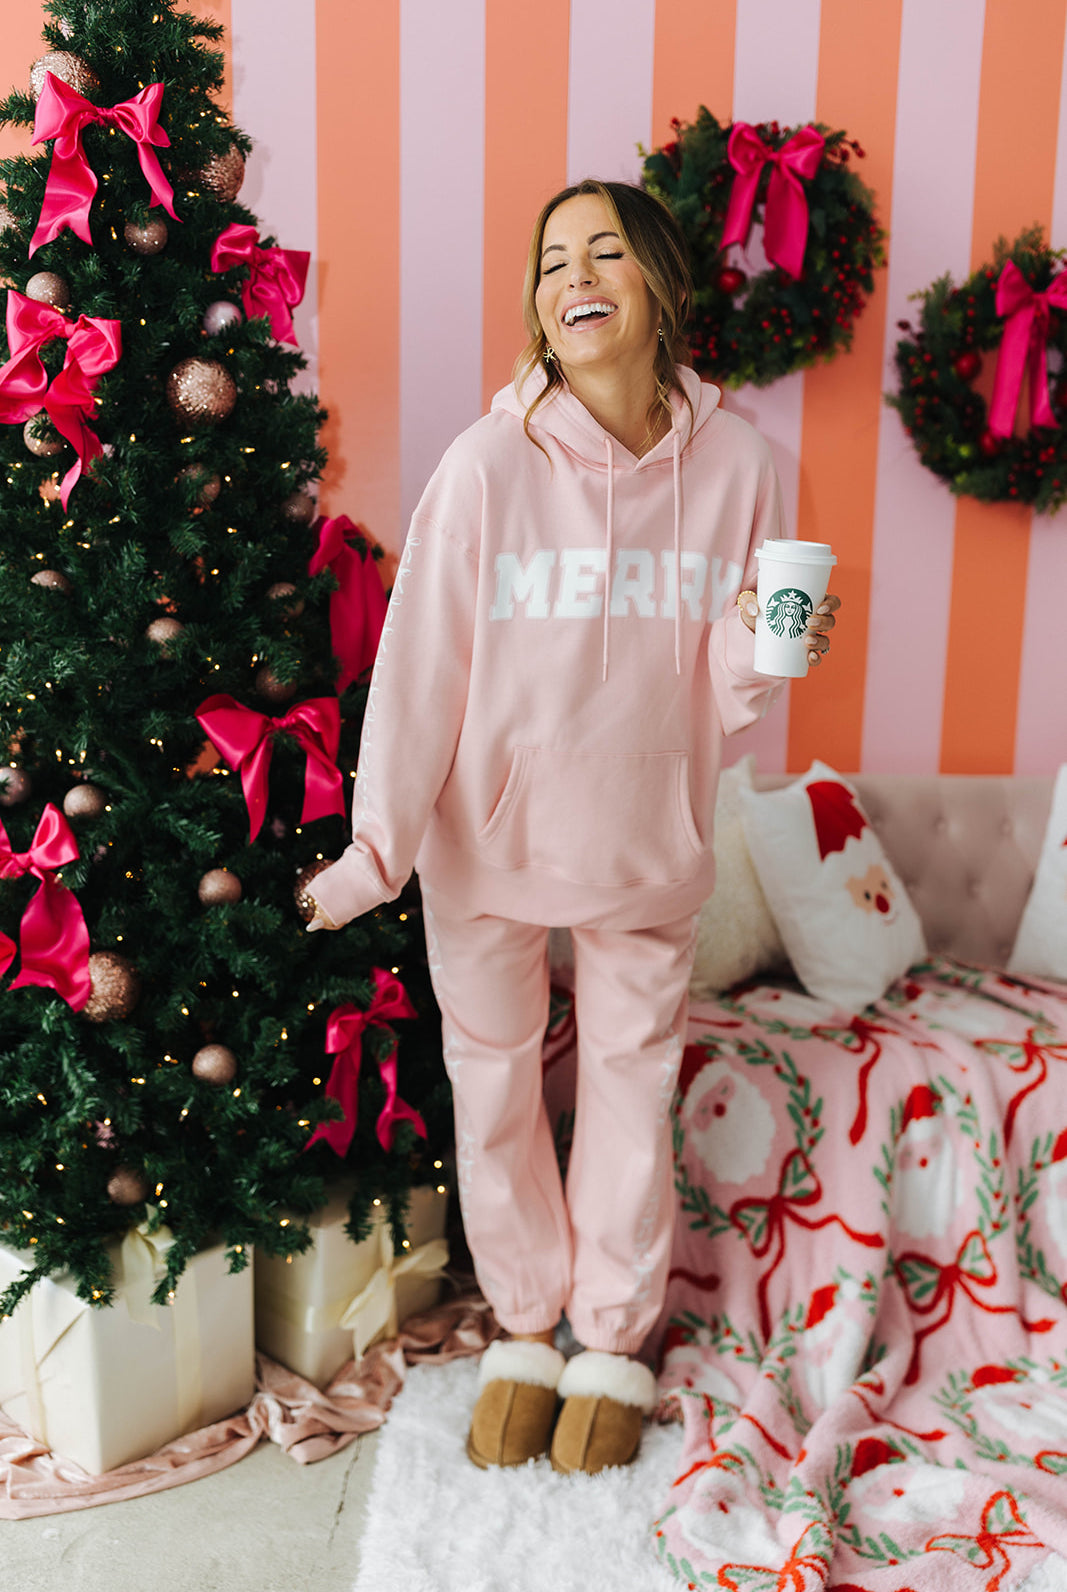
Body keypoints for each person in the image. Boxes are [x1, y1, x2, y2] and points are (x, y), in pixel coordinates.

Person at [306, 179, 839, 1475]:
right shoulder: (489, 464)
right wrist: (377, 847)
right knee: (491, 1096)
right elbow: (421, 663)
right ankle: (527, 1325)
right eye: (552, 261)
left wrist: (773, 660)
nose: (572, 276)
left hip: (647, 845)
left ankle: (610, 1335)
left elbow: (721, 685)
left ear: (658, 282)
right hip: (480, 849)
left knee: (626, 1092)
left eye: (604, 250)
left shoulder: (744, 467)